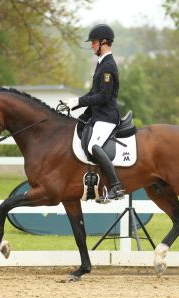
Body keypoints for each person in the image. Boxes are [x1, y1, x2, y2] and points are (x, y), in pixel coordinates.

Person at [62, 24, 124, 201]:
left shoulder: (108, 66)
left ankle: (116, 187)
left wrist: (80, 101)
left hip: (107, 118)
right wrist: (74, 105)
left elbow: (103, 96)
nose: (92, 45)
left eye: (94, 42)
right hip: (97, 116)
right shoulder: (101, 63)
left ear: (103, 42)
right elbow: (93, 93)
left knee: (92, 146)